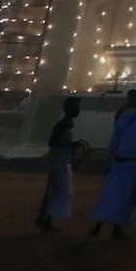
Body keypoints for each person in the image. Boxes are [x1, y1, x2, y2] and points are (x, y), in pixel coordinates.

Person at [90, 89, 136, 240]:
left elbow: (114, 140)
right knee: (126, 196)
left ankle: (98, 226)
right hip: (133, 162)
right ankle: (116, 229)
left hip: (118, 159)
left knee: (109, 193)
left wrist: (110, 159)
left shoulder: (124, 117)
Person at [38, 97, 81, 232]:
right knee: (59, 190)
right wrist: (69, 145)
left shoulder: (68, 123)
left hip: (61, 158)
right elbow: (53, 143)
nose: (78, 110)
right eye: (76, 107)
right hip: (58, 159)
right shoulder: (64, 124)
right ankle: (47, 219)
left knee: (57, 189)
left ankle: (46, 218)